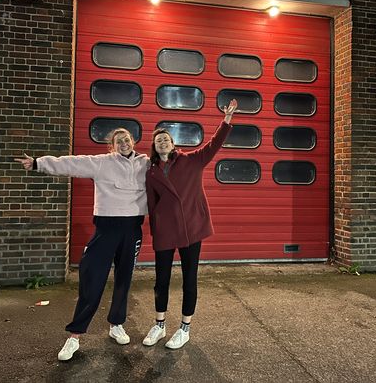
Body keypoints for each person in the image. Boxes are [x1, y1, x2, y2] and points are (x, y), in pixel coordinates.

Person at [14, 128, 148, 361]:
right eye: (119, 141)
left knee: (124, 280)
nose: (124, 143)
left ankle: (116, 324)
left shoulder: (146, 163)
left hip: (133, 229)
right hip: (106, 229)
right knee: (92, 278)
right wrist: (38, 163)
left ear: (133, 141)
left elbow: (173, 168)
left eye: (127, 139)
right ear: (112, 146)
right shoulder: (101, 163)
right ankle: (74, 335)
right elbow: (71, 163)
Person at [142, 99, 237, 349]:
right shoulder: (150, 172)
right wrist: (154, 231)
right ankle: (159, 325)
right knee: (161, 279)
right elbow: (151, 205)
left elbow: (213, 146)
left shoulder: (191, 160)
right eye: (158, 140)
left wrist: (226, 120)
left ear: (173, 144)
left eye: (166, 139)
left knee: (189, 279)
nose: (162, 142)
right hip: (165, 230)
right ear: (154, 146)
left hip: (191, 228)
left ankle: (184, 328)